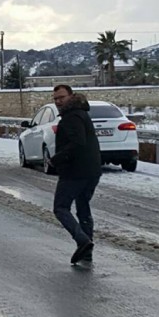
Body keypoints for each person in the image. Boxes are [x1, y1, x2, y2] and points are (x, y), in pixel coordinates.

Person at [48, 85, 102, 264]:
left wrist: (57, 159)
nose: (58, 101)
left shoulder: (72, 117)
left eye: (61, 97)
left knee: (60, 208)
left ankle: (83, 240)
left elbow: (77, 143)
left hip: (75, 171)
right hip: (92, 170)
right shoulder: (82, 113)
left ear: (71, 96)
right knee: (83, 207)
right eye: (55, 98)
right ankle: (87, 252)